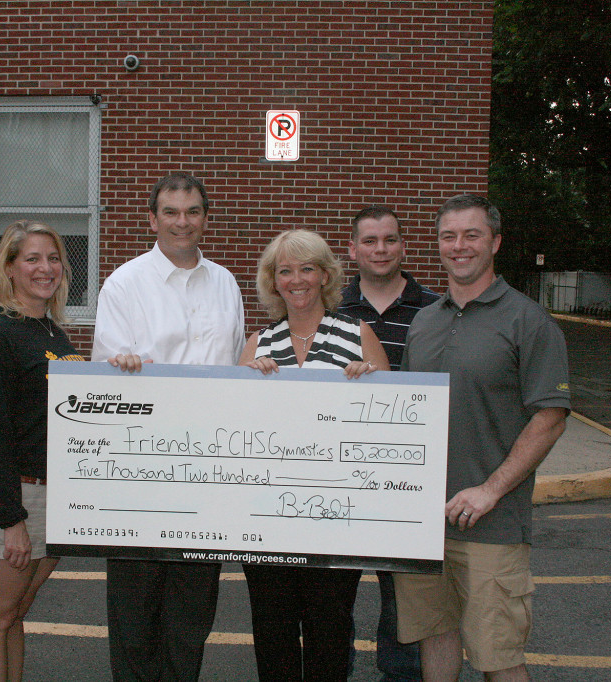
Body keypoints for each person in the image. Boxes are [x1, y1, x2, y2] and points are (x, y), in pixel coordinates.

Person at [394, 195, 571, 682]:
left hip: (492, 526)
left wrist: (491, 489)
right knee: (436, 637)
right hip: (424, 524)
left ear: (494, 241)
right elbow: (407, 412)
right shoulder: (425, 321)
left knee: (499, 659)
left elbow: (550, 417)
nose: (459, 246)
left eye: (471, 235)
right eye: (449, 236)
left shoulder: (528, 321)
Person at [91, 172, 245, 681]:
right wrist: (126, 369)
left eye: (193, 211)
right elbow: (107, 383)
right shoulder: (125, 283)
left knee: (191, 617)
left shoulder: (225, 282)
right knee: (136, 620)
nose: (183, 222)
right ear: (152, 218)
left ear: (205, 217)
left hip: (208, 478)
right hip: (141, 478)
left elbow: (237, 371)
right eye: (172, 212)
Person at [240, 229, 389, 681]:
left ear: (325, 274)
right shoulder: (258, 344)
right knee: (272, 632)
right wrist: (249, 382)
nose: (296, 279)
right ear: (273, 280)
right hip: (267, 521)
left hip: (336, 519)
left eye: (307, 268)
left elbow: (390, 426)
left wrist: (372, 381)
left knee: (330, 629)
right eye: (285, 270)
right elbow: (233, 434)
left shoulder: (358, 334)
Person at [0, 220, 85, 681]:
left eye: (53, 258)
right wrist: (11, 520)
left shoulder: (52, 331)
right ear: (9, 268)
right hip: (17, 496)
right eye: (32, 259)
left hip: (54, 495)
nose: (45, 268)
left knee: (16, 611)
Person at [337, 206, 439, 682]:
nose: (381, 250)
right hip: (339, 476)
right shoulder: (331, 307)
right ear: (352, 248)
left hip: (407, 480)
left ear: (403, 246)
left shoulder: (436, 310)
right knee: (333, 594)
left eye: (390, 240)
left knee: (405, 602)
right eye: (370, 241)